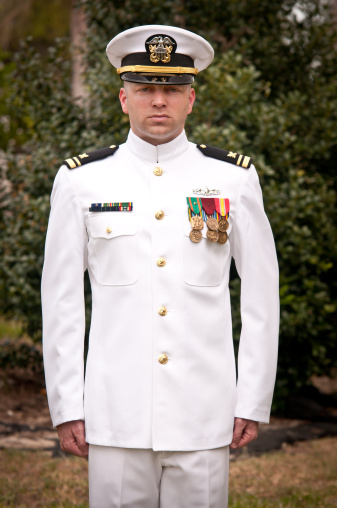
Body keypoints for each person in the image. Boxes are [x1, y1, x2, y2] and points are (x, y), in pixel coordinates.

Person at [42, 24, 279, 508]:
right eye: (146, 88)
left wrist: (252, 399)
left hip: (204, 410)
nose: (158, 101)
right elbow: (62, 300)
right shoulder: (81, 182)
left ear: (191, 99)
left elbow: (261, 294)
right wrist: (67, 405)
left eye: (171, 89)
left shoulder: (232, 179)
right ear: (123, 97)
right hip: (114, 412)